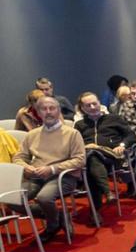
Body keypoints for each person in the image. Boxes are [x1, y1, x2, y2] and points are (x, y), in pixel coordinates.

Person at [12, 96, 86, 242]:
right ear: (38, 113)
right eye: (44, 109)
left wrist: (52, 169)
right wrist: (26, 167)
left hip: (63, 176)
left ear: (58, 111)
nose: (48, 112)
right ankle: (58, 215)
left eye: (52, 108)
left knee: (44, 198)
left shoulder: (72, 133)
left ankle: (52, 225)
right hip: (36, 175)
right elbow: (18, 157)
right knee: (13, 200)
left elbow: (80, 160)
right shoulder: (32, 135)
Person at [74, 92, 136, 214]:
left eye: (94, 103)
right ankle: (107, 193)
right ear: (82, 108)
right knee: (91, 160)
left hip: (112, 157)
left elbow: (131, 136)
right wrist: (87, 146)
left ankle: (95, 211)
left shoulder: (114, 118)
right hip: (90, 159)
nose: (92, 107)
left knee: (90, 164)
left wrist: (122, 145)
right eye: (88, 105)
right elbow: (75, 144)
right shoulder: (80, 125)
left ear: (99, 103)